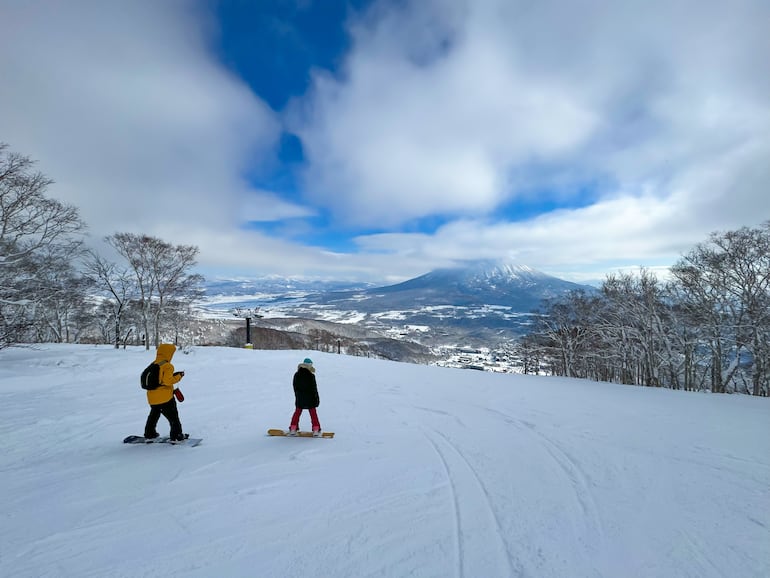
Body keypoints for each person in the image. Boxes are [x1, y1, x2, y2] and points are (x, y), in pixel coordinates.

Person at [144, 343, 187, 442]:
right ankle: (177, 435)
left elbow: (160, 379)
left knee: (154, 415)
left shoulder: (154, 364)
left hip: (152, 398)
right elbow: (167, 381)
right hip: (165, 397)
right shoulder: (168, 366)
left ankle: (149, 433)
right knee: (173, 417)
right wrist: (179, 376)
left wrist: (172, 376)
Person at [288, 357, 321, 436]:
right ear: (309, 365)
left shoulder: (297, 374)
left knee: (297, 412)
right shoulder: (311, 375)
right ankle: (316, 429)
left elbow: (295, 387)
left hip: (300, 397)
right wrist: (316, 399)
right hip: (310, 397)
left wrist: (297, 396)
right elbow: (314, 388)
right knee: (313, 413)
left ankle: (293, 428)